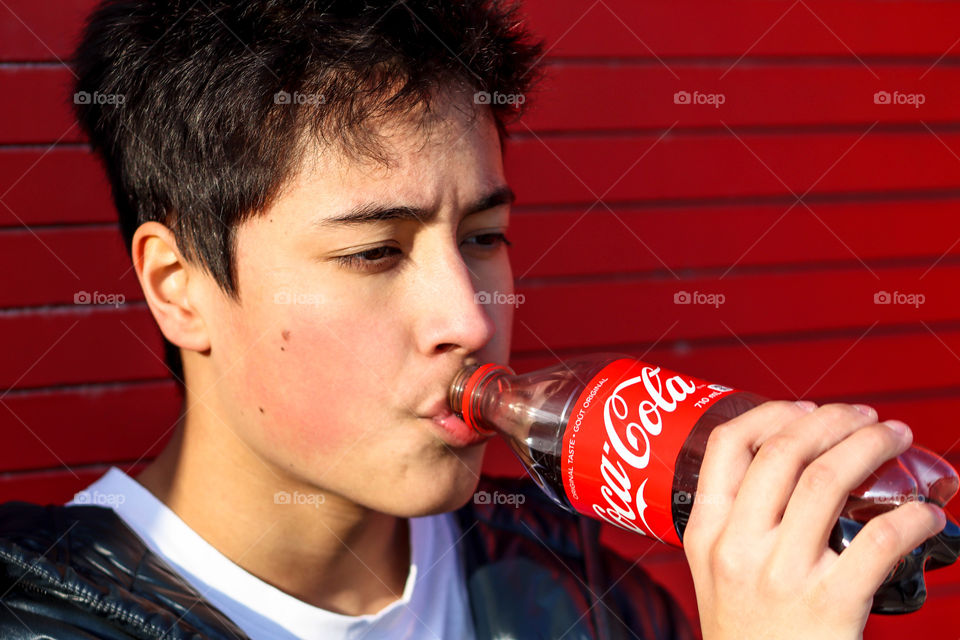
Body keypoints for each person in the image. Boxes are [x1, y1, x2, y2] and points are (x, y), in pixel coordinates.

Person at [0, 1, 945, 639]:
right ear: (179, 288)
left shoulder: (560, 574)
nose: (468, 316)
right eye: (374, 252)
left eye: (484, 235)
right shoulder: (44, 615)